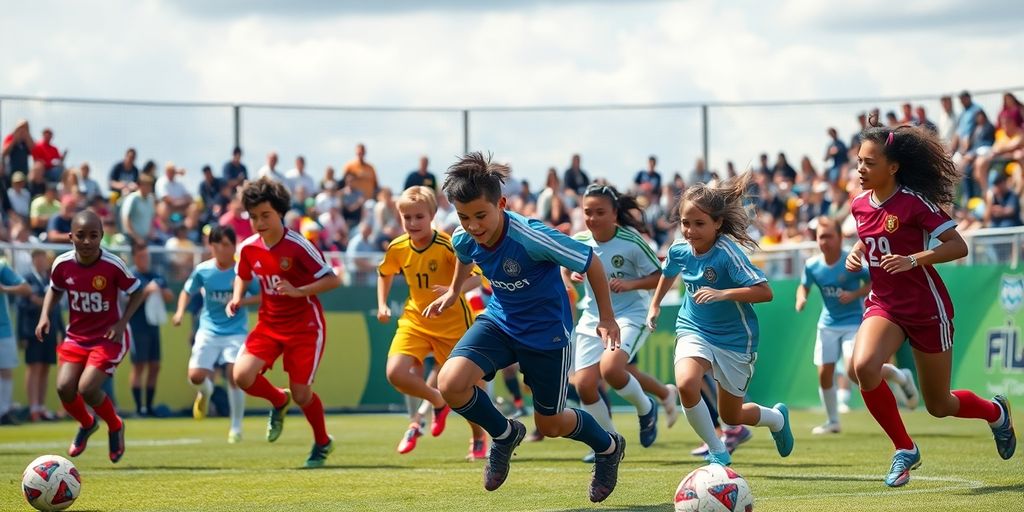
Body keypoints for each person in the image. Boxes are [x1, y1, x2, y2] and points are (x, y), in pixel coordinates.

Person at [423, 152, 625, 503]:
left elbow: (590, 262)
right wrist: (455, 291)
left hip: (546, 334)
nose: (473, 225)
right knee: (450, 383)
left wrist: (607, 318)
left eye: (481, 215)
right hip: (500, 321)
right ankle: (504, 434)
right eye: (464, 216)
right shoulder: (464, 236)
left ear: (501, 203)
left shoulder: (530, 236)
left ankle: (608, 446)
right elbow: (464, 254)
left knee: (551, 425)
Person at [846, 124, 1016, 487]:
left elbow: (958, 246)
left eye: (869, 163)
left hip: (927, 310)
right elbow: (872, 236)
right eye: (859, 161)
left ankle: (996, 412)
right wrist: (857, 251)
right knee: (863, 365)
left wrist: (913, 259)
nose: (860, 169)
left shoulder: (913, 202)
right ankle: (905, 449)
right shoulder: (858, 204)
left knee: (939, 405)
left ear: (892, 168)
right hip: (885, 305)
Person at [646, 174, 794, 467]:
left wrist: (723, 293)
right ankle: (718, 450)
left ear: (717, 224)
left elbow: (765, 292)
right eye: (686, 223)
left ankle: (776, 419)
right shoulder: (678, 249)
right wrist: (655, 305)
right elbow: (668, 272)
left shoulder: (728, 253)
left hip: (734, 339)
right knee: (687, 383)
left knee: (732, 415)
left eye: (699, 223)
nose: (690, 230)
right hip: (694, 328)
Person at [227, 177, 343, 468]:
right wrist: (237, 297)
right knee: (241, 376)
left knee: (303, 394)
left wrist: (298, 291)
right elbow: (242, 274)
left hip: (305, 326)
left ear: (280, 212)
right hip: (269, 324)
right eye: (253, 217)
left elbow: (333, 279)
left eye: (265, 215)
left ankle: (322, 442)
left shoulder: (298, 245)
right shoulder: (249, 247)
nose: (259, 222)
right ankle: (279, 400)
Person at [567, 184, 680, 462]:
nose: (592, 218)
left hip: (631, 315)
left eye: (599, 212)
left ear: (615, 213)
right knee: (583, 384)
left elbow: (662, 276)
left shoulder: (631, 241)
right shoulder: (579, 240)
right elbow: (565, 268)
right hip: (593, 318)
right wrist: (572, 275)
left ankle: (646, 408)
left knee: (612, 369)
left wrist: (631, 284)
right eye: (587, 212)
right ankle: (608, 443)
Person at [376, 186, 487, 459]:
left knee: (468, 390)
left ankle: (478, 436)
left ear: (432, 215)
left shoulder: (448, 244)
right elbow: (385, 272)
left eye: (419, 217)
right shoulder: (398, 247)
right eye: (407, 217)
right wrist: (381, 304)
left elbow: (479, 276)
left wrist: (454, 290)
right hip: (416, 320)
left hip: (453, 324)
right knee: (395, 373)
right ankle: (437, 400)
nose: (413, 223)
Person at [36, 210, 146, 463]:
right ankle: (87, 423)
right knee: (64, 388)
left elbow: (137, 292)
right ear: (70, 236)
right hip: (76, 336)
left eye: (93, 236)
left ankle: (115, 424)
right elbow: (55, 290)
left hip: (108, 337)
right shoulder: (62, 264)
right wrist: (45, 317)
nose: (87, 241)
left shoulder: (113, 265)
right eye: (81, 236)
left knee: (87, 388)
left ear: (102, 237)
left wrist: (121, 323)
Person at [796, 216, 918, 434]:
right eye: (820, 237)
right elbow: (803, 286)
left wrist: (854, 294)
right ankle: (833, 421)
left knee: (855, 372)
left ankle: (901, 376)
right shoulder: (812, 265)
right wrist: (801, 298)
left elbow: (873, 280)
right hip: (828, 324)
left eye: (829, 236)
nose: (824, 242)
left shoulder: (850, 260)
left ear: (840, 237)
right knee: (825, 372)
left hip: (854, 322)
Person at [172, 226, 259, 443]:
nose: (222, 249)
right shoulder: (203, 270)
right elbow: (186, 291)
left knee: (234, 375)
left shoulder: (243, 271)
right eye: (217, 244)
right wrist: (180, 312)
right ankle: (205, 392)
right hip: (209, 330)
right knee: (195, 377)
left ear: (234, 246)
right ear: (211, 246)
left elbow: (264, 296)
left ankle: (236, 427)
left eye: (227, 244)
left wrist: (240, 301)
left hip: (236, 332)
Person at [126, 243, 173, 417]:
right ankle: (139, 408)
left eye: (146, 256)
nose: (145, 259)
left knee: (155, 365)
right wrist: (146, 291)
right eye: (141, 256)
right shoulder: (130, 275)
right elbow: (126, 300)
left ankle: (149, 406)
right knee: (139, 366)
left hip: (153, 326)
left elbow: (169, 296)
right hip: (137, 326)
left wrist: (161, 290)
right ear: (135, 257)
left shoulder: (156, 275)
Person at [0, 259, 30, 424]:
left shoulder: (1, 267)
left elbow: (26, 288)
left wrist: (3, 288)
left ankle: (3, 412)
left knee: (5, 370)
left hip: (2, 329)